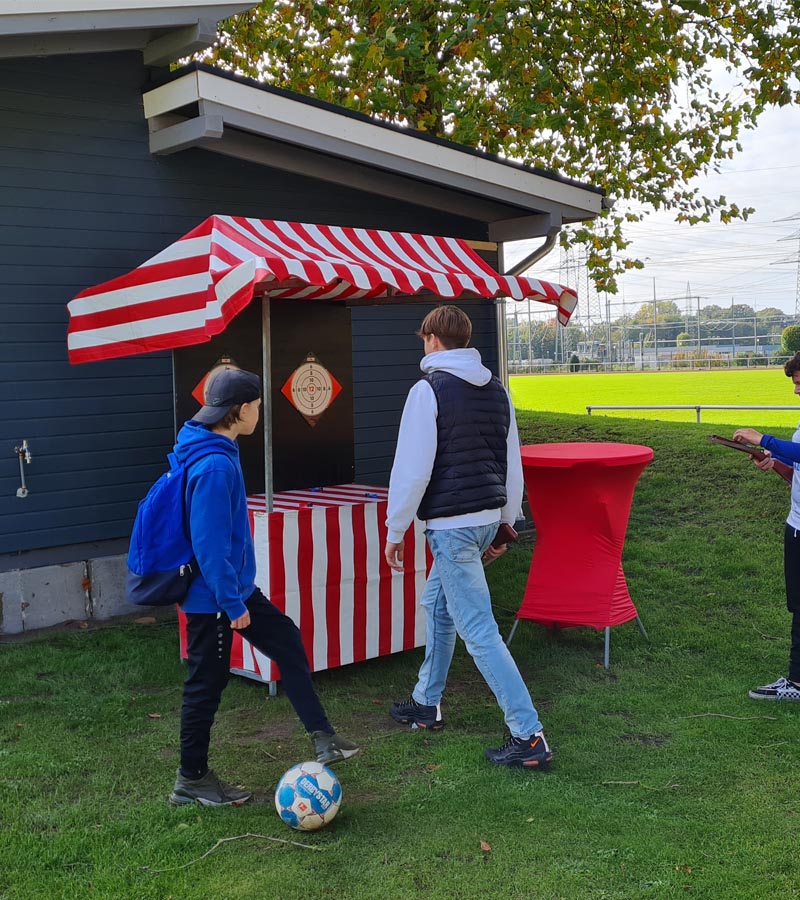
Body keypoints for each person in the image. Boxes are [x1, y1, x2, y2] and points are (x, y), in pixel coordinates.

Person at [169, 366, 359, 807]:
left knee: (286, 639)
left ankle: (324, 737)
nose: (260, 411)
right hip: (214, 595)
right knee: (205, 684)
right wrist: (232, 603)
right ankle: (191, 778)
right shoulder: (214, 464)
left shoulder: (217, 447)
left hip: (230, 586)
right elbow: (210, 543)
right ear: (239, 410)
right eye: (256, 404)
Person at [384, 305, 552, 768]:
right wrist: (506, 523)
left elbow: (412, 470)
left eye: (424, 338)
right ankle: (426, 703)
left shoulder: (427, 390)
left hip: (452, 527)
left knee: (479, 631)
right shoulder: (498, 391)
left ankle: (528, 735)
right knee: (436, 605)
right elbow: (511, 463)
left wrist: (395, 529)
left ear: (433, 339)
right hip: (484, 521)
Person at [733, 350, 800, 702]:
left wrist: (764, 440)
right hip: (796, 526)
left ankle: (797, 684)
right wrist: (771, 461)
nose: (796, 392)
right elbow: (796, 470)